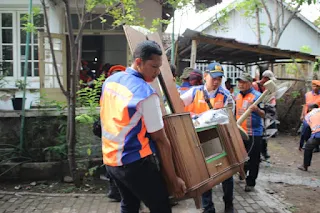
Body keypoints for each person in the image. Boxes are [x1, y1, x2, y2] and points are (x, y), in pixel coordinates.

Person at [100, 40, 186, 213]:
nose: (157, 72)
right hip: (134, 162)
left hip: (111, 160)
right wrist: (173, 179)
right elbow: (161, 141)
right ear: (138, 62)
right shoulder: (146, 94)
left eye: (159, 67)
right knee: (161, 207)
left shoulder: (111, 81)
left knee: (129, 204)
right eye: (154, 66)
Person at [180, 62, 234, 213]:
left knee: (226, 174)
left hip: (219, 139)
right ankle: (208, 207)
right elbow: (178, 105)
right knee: (204, 174)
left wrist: (200, 117)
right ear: (205, 76)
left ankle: (229, 204)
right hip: (199, 139)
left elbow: (229, 117)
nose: (216, 81)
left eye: (219, 78)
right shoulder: (194, 92)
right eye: (213, 77)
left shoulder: (226, 96)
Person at [236, 73, 265, 192]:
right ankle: (242, 172)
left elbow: (264, 114)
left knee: (253, 158)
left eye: (243, 82)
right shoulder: (237, 96)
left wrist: (257, 109)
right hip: (240, 131)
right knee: (240, 156)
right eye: (239, 82)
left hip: (254, 133)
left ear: (249, 83)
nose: (240, 84)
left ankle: (251, 182)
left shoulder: (258, 96)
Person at [252, 70, 277, 160]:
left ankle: (263, 151)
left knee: (264, 133)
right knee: (258, 133)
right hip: (255, 111)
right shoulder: (255, 85)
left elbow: (272, 98)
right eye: (269, 79)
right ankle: (257, 153)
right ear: (265, 78)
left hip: (264, 110)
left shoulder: (267, 87)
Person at [299, 80, 320, 152]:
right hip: (308, 116)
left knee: (315, 131)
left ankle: (315, 146)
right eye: (314, 86)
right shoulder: (307, 95)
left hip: (317, 117)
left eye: (317, 86)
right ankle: (308, 143)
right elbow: (305, 105)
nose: (315, 88)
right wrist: (302, 115)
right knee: (305, 130)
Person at [298, 104, 320, 171]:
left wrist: (301, 144)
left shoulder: (308, 116)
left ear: (310, 109)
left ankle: (305, 166)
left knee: (308, 147)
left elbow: (305, 130)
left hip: (317, 133)